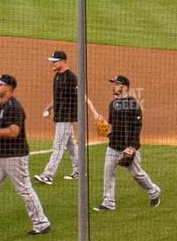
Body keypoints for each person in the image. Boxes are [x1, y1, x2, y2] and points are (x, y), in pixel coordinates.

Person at [0, 74, 50, 236]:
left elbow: (14, 132)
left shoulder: (14, 107)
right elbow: (2, 130)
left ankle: (42, 224)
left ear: (8, 88)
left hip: (14, 156)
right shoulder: (2, 105)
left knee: (24, 190)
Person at [96, 74, 162, 211]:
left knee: (137, 173)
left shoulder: (133, 104)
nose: (114, 86)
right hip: (114, 146)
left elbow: (137, 126)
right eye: (113, 84)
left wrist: (132, 146)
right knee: (108, 172)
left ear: (125, 87)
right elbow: (111, 124)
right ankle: (108, 202)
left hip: (130, 147)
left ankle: (154, 191)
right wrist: (102, 123)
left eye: (117, 84)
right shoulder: (113, 104)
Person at [36, 50, 83, 186]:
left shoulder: (71, 78)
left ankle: (48, 175)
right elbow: (57, 97)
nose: (53, 63)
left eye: (55, 61)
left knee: (58, 147)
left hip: (66, 117)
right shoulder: (57, 77)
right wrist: (49, 107)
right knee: (71, 145)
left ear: (63, 61)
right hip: (59, 116)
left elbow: (80, 97)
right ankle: (79, 170)